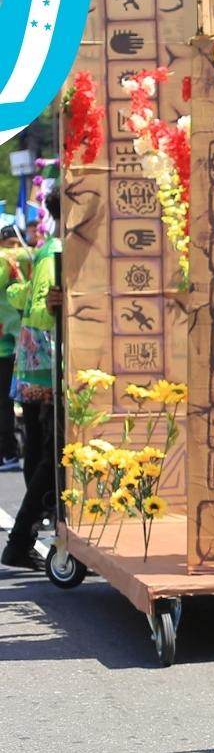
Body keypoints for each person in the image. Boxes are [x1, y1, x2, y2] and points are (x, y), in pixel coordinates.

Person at [1, 214, 62, 571]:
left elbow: (26, 299)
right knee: (49, 455)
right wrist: (50, 303)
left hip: (36, 364)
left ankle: (30, 534)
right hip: (44, 368)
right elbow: (39, 311)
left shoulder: (48, 251)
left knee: (43, 452)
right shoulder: (53, 252)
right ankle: (24, 536)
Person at [0, 224, 26, 470]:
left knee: (5, 403)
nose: (13, 249)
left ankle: (8, 453)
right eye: (9, 245)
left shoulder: (16, 264)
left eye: (18, 245)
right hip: (8, 344)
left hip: (9, 348)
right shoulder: (6, 264)